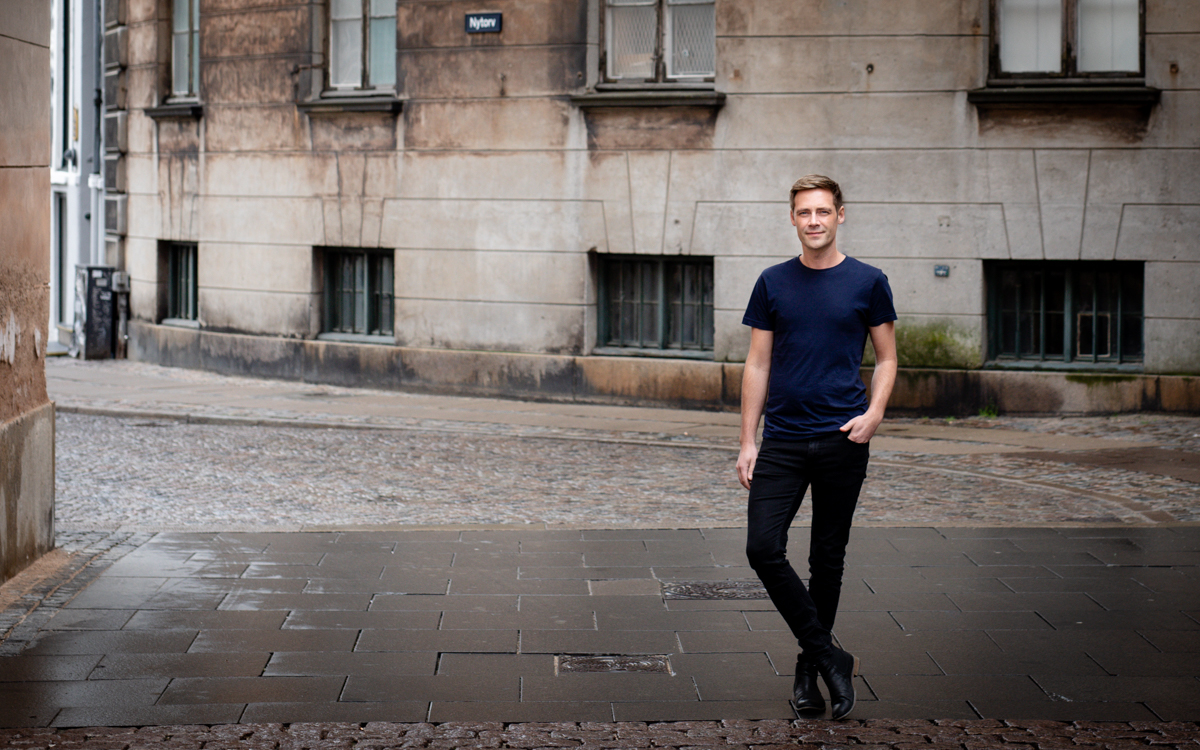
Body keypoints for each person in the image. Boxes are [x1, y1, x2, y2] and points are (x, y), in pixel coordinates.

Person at [737, 174, 898, 720]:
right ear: (792, 219)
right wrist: (747, 440)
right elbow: (757, 363)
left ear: (840, 216)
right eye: (804, 213)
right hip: (782, 439)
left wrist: (874, 414)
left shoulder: (868, 281)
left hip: (841, 439)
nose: (813, 221)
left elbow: (888, 358)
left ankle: (809, 672)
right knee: (763, 548)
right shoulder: (772, 282)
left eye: (823, 212)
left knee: (827, 560)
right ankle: (829, 654)